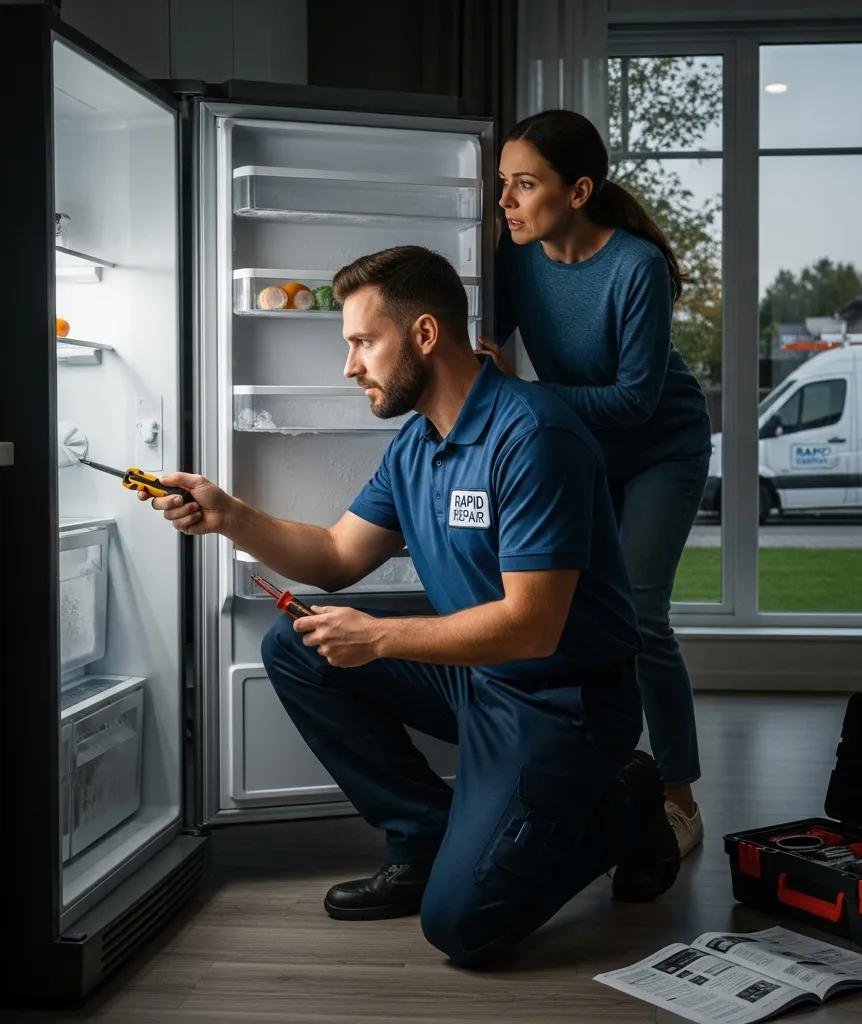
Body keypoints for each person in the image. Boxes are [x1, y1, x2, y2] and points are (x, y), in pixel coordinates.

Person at [144, 246, 681, 966]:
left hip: (565, 701)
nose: (349, 366)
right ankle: (424, 838)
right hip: (480, 679)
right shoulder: (417, 445)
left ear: (424, 333)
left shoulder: (534, 437)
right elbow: (335, 557)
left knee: (465, 929)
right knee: (297, 647)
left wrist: (380, 637)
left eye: (363, 342)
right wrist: (229, 515)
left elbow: (532, 625)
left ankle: (627, 798)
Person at [480, 109, 712, 860]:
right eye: (503, 184)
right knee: (575, 616)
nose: (505, 202)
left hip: (662, 448)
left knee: (641, 618)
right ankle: (602, 776)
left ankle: (678, 796)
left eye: (524, 185)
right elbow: (480, 352)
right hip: (581, 449)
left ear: (578, 192)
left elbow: (635, 400)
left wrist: (522, 392)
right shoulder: (515, 258)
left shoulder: (636, 267)